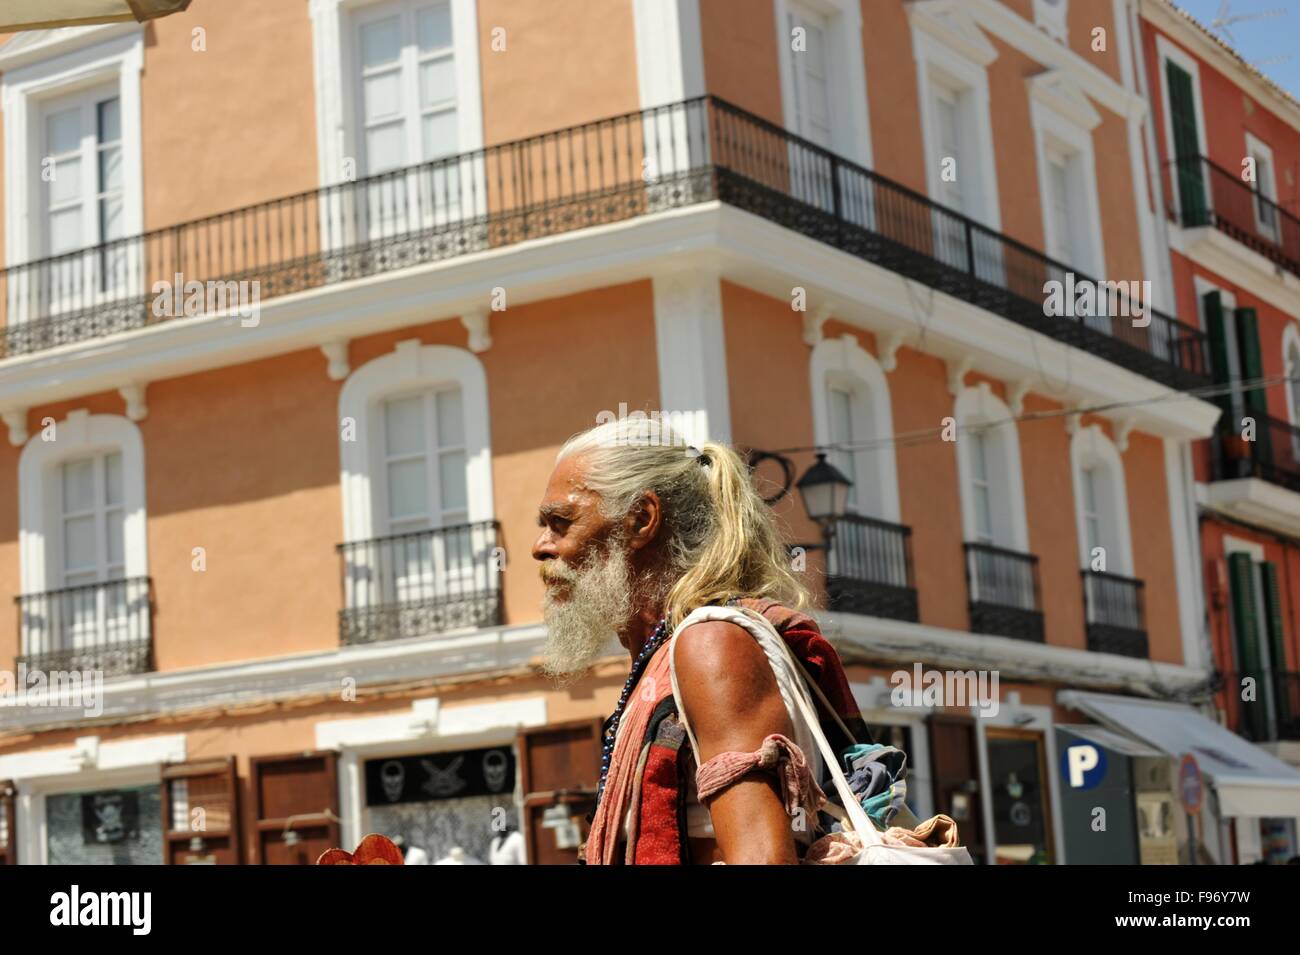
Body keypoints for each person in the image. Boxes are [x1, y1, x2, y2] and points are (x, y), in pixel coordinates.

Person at [532, 416, 873, 865]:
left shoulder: (712, 643)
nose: (541, 546)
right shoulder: (666, 651)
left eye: (561, 522)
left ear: (641, 520)